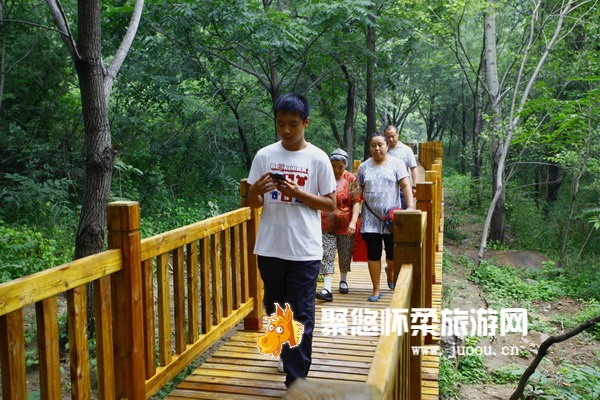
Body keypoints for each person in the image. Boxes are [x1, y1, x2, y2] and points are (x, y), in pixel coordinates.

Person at [247, 93, 336, 388]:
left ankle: (296, 382)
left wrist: (297, 193)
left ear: (306, 123)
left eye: (293, 125)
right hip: (271, 247)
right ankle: (288, 354)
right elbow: (254, 203)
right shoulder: (264, 155)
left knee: (300, 314)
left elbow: (330, 204)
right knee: (275, 309)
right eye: (281, 124)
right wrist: (255, 190)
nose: (286, 130)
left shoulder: (318, 158)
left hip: (305, 250)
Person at [356, 132, 414, 301]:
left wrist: (409, 208)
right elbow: (357, 191)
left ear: (387, 145)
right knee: (373, 254)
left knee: (392, 254)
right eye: (373, 145)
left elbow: (405, 185)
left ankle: (391, 271)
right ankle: (376, 288)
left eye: (380, 145)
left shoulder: (397, 164)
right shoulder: (363, 167)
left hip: (391, 218)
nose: (377, 148)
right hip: (369, 218)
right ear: (370, 148)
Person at [315, 148, 362, 302]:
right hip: (325, 223)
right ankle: (327, 288)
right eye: (334, 166)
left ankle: (343, 279)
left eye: (340, 166)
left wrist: (354, 222)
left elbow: (356, 201)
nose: (336, 169)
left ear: (345, 166)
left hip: (345, 223)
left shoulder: (351, 179)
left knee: (344, 253)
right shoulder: (323, 177)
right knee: (326, 254)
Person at [385, 125, 419, 208]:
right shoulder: (384, 150)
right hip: (387, 190)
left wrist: (415, 186)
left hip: (403, 189)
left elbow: (413, 168)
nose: (391, 139)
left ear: (398, 134)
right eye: (388, 137)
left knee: (403, 214)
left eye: (393, 136)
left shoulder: (406, 150)